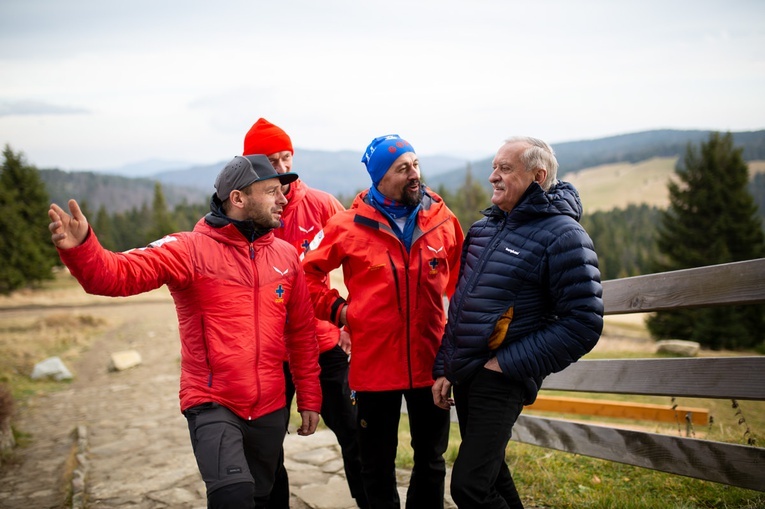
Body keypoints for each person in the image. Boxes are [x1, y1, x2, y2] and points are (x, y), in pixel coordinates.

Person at [48, 154, 322, 509]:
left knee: (264, 497)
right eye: (272, 191)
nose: (284, 198)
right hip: (213, 402)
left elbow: (300, 333)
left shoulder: (285, 256)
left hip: (270, 406)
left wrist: (310, 396)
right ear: (238, 199)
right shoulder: (189, 249)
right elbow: (118, 274)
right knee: (233, 496)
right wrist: (84, 249)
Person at [432, 136, 604, 509]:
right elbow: (461, 307)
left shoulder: (563, 235)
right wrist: (446, 365)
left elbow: (583, 322)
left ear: (538, 176)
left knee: (469, 487)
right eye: (494, 167)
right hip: (467, 374)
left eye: (505, 169)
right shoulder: (483, 231)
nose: (493, 176)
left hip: (502, 378)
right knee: (491, 475)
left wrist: (505, 365)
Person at [302, 134, 464, 509]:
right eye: (402, 168)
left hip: (431, 364)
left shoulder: (443, 220)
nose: (414, 174)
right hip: (373, 368)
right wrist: (340, 312)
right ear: (379, 178)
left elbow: (462, 287)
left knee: (431, 459)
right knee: (374, 465)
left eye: (415, 164)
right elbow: (304, 277)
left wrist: (458, 339)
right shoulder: (345, 225)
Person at [242, 118, 367, 508]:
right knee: (266, 443)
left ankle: (371, 501)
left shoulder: (323, 205)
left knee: (354, 432)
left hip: (323, 342)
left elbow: (358, 265)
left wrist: (349, 318)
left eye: (285, 159)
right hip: (269, 352)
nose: (280, 170)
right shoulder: (244, 214)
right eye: (270, 161)